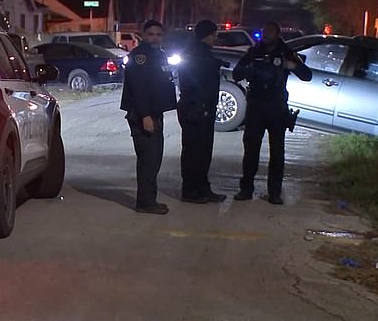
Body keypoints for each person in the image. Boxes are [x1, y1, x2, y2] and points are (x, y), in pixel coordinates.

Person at [232, 22, 312, 205]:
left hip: (276, 107)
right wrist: (250, 68)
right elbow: (236, 74)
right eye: (264, 32)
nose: (266, 35)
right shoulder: (254, 52)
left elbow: (307, 75)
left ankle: (274, 192)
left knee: (277, 152)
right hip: (256, 106)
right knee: (251, 150)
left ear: (277, 33)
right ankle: (246, 189)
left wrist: (291, 66)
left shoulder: (287, 52)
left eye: (269, 32)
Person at [120, 20, 177, 214]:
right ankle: (145, 202)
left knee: (154, 159)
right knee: (148, 160)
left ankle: (149, 199)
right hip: (143, 115)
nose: (155, 37)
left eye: (158, 34)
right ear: (143, 36)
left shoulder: (158, 55)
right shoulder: (140, 57)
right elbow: (139, 89)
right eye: (151, 34)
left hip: (154, 113)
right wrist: (145, 116)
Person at [177, 20, 228, 203]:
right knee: (194, 152)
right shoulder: (196, 54)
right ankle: (191, 191)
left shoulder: (201, 53)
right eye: (215, 34)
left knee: (203, 151)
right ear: (209, 34)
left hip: (202, 108)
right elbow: (195, 83)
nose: (216, 38)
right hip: (195, 109)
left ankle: (202, 188)